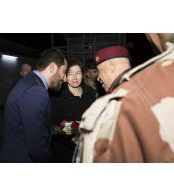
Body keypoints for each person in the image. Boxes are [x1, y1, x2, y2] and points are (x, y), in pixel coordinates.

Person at [74, 35, 174, 163]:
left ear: (111, 66)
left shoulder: (118, 101)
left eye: (99, 71)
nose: (98, 78)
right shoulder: (156, 83)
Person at [0, 48, 67, 162]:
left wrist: (65, 129)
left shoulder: (31, 82)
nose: (65, 78)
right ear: (52, 67)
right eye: (64, 71)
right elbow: (37, 145)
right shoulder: (35, 90)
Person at [50, 59, 96, 162]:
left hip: (87, 147)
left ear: (83, 75)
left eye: (78, 73)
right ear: (65, 76)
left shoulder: (90, 92)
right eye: (70, 74)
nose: (75, 77)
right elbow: (55, 127)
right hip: (65, 149)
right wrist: (78, 127)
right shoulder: (57, 96)